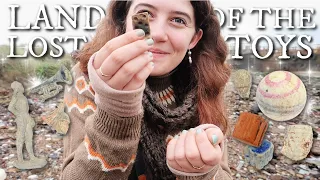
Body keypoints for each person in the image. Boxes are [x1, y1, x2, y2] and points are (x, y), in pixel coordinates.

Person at [61, 0, 232, 179]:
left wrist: (203, 170)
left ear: (194, 38)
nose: (157, 34)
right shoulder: (87, 76)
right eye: (146, 14)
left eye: (178, 20)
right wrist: (115, 111)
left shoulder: (207, 85)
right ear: (124, 22)